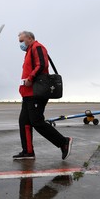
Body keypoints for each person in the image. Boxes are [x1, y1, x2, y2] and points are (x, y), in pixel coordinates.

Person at [14, 31, 72, 160]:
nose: (20, 44)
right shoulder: (29, 51)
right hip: (27, 94)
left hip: (36, 93)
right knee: (24, 122)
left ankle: (63, 142)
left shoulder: (38, 47)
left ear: (29, 38)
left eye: (21, 41)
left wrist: (30, 77)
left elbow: (42, 65)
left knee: (37, 122)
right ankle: (28, 151)